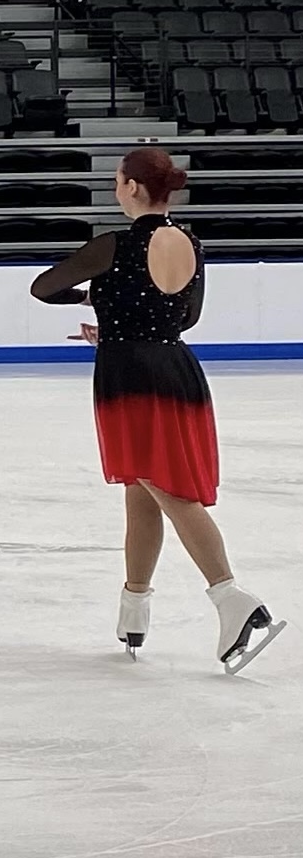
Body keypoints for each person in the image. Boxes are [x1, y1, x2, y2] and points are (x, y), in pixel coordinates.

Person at [31, 146, 282, 671]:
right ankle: (134, 607)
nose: (117, 190)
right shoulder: (190, 242)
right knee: (141, 492)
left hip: (130, 378)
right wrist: (117, 315)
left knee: (169, 490)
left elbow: (44, 288)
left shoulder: (113, 246)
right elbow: (185, 315)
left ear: (133, 189)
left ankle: (232, 598)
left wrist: (100, 299)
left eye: (119, 181)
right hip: (176, 368)